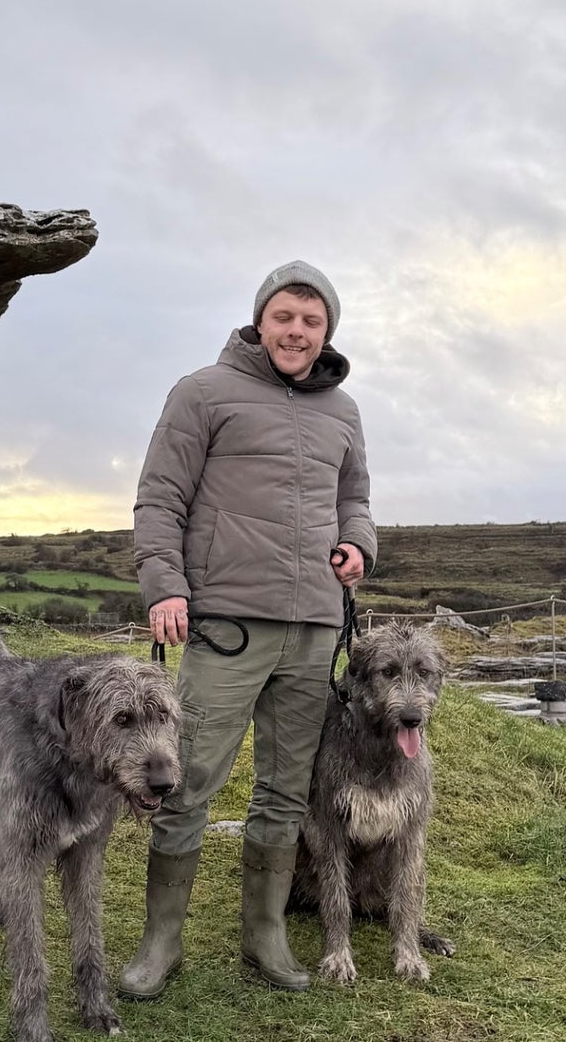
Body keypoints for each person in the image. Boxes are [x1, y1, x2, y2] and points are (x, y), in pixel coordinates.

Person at [121, 260, 375, 997]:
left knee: (287, 791)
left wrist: (358, 544)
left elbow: (355, 496)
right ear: (261, 320)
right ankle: (159, 945)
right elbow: (159, 497)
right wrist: (164, 587)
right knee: (187, 780)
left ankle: (264, 937)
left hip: (315, 625)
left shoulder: (344, 410)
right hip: (226, 623)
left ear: (327, 329)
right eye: (285, 317)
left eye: (312, 320)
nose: (297, 332)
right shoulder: (202, 391)